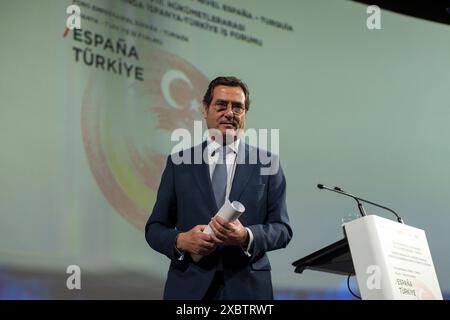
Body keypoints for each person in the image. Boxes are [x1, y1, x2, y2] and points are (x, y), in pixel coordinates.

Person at [145, 76, 292, 300]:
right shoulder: (179, 163)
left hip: (248, 290)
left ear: (245, 114)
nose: (230, 113)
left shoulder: (267, 163)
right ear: (205, 109)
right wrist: (181, 240)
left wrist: (246, 236)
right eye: (221, 105)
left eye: (238, 107)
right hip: (189, 289)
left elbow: (282, 229)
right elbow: (155, 228)